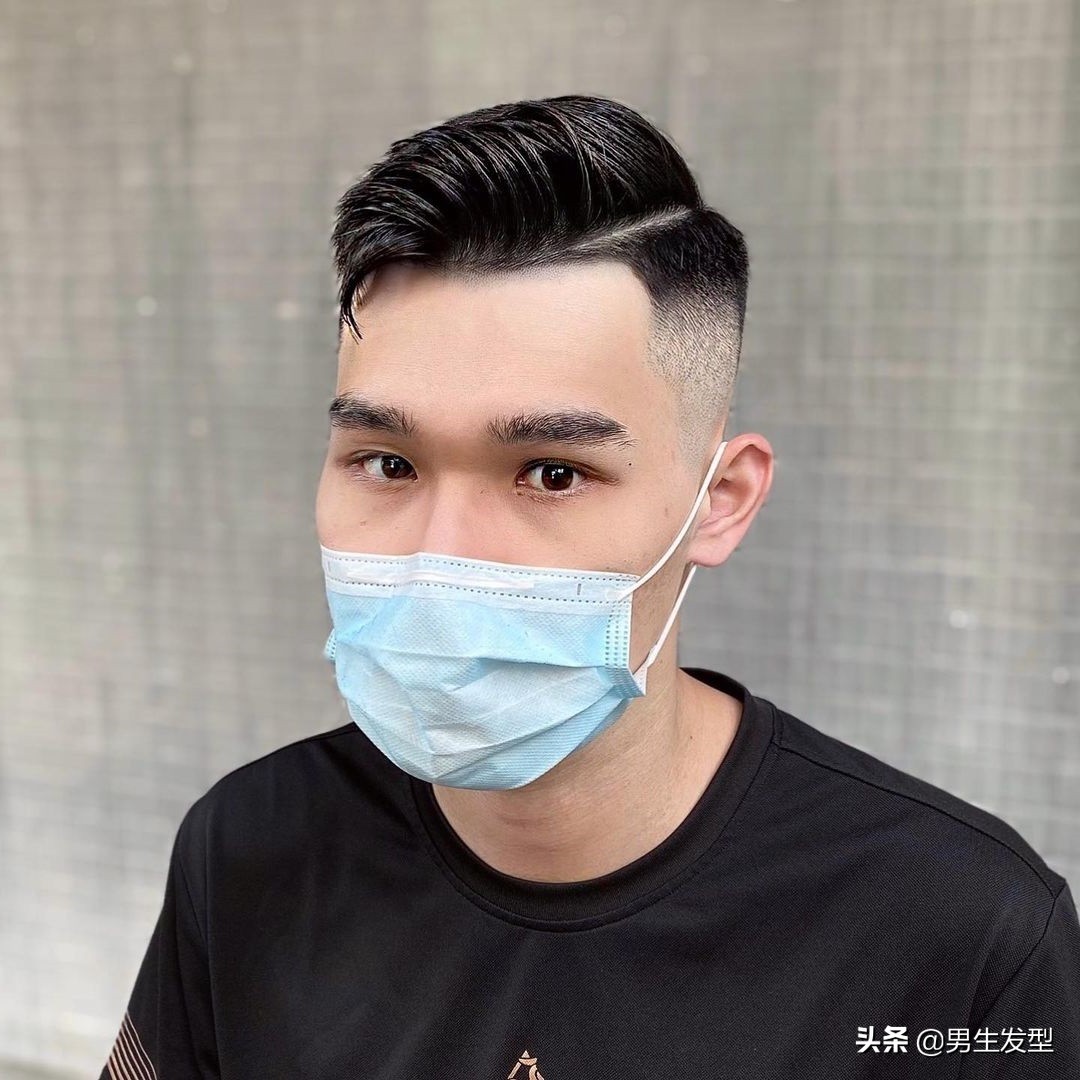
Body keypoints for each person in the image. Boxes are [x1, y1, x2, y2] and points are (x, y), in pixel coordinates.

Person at [100, 94, 1079, 1079]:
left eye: (553, 473)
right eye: (387, 463)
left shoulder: (964, 939)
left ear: (719, 502)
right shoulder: (249, 848)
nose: (441, 557)